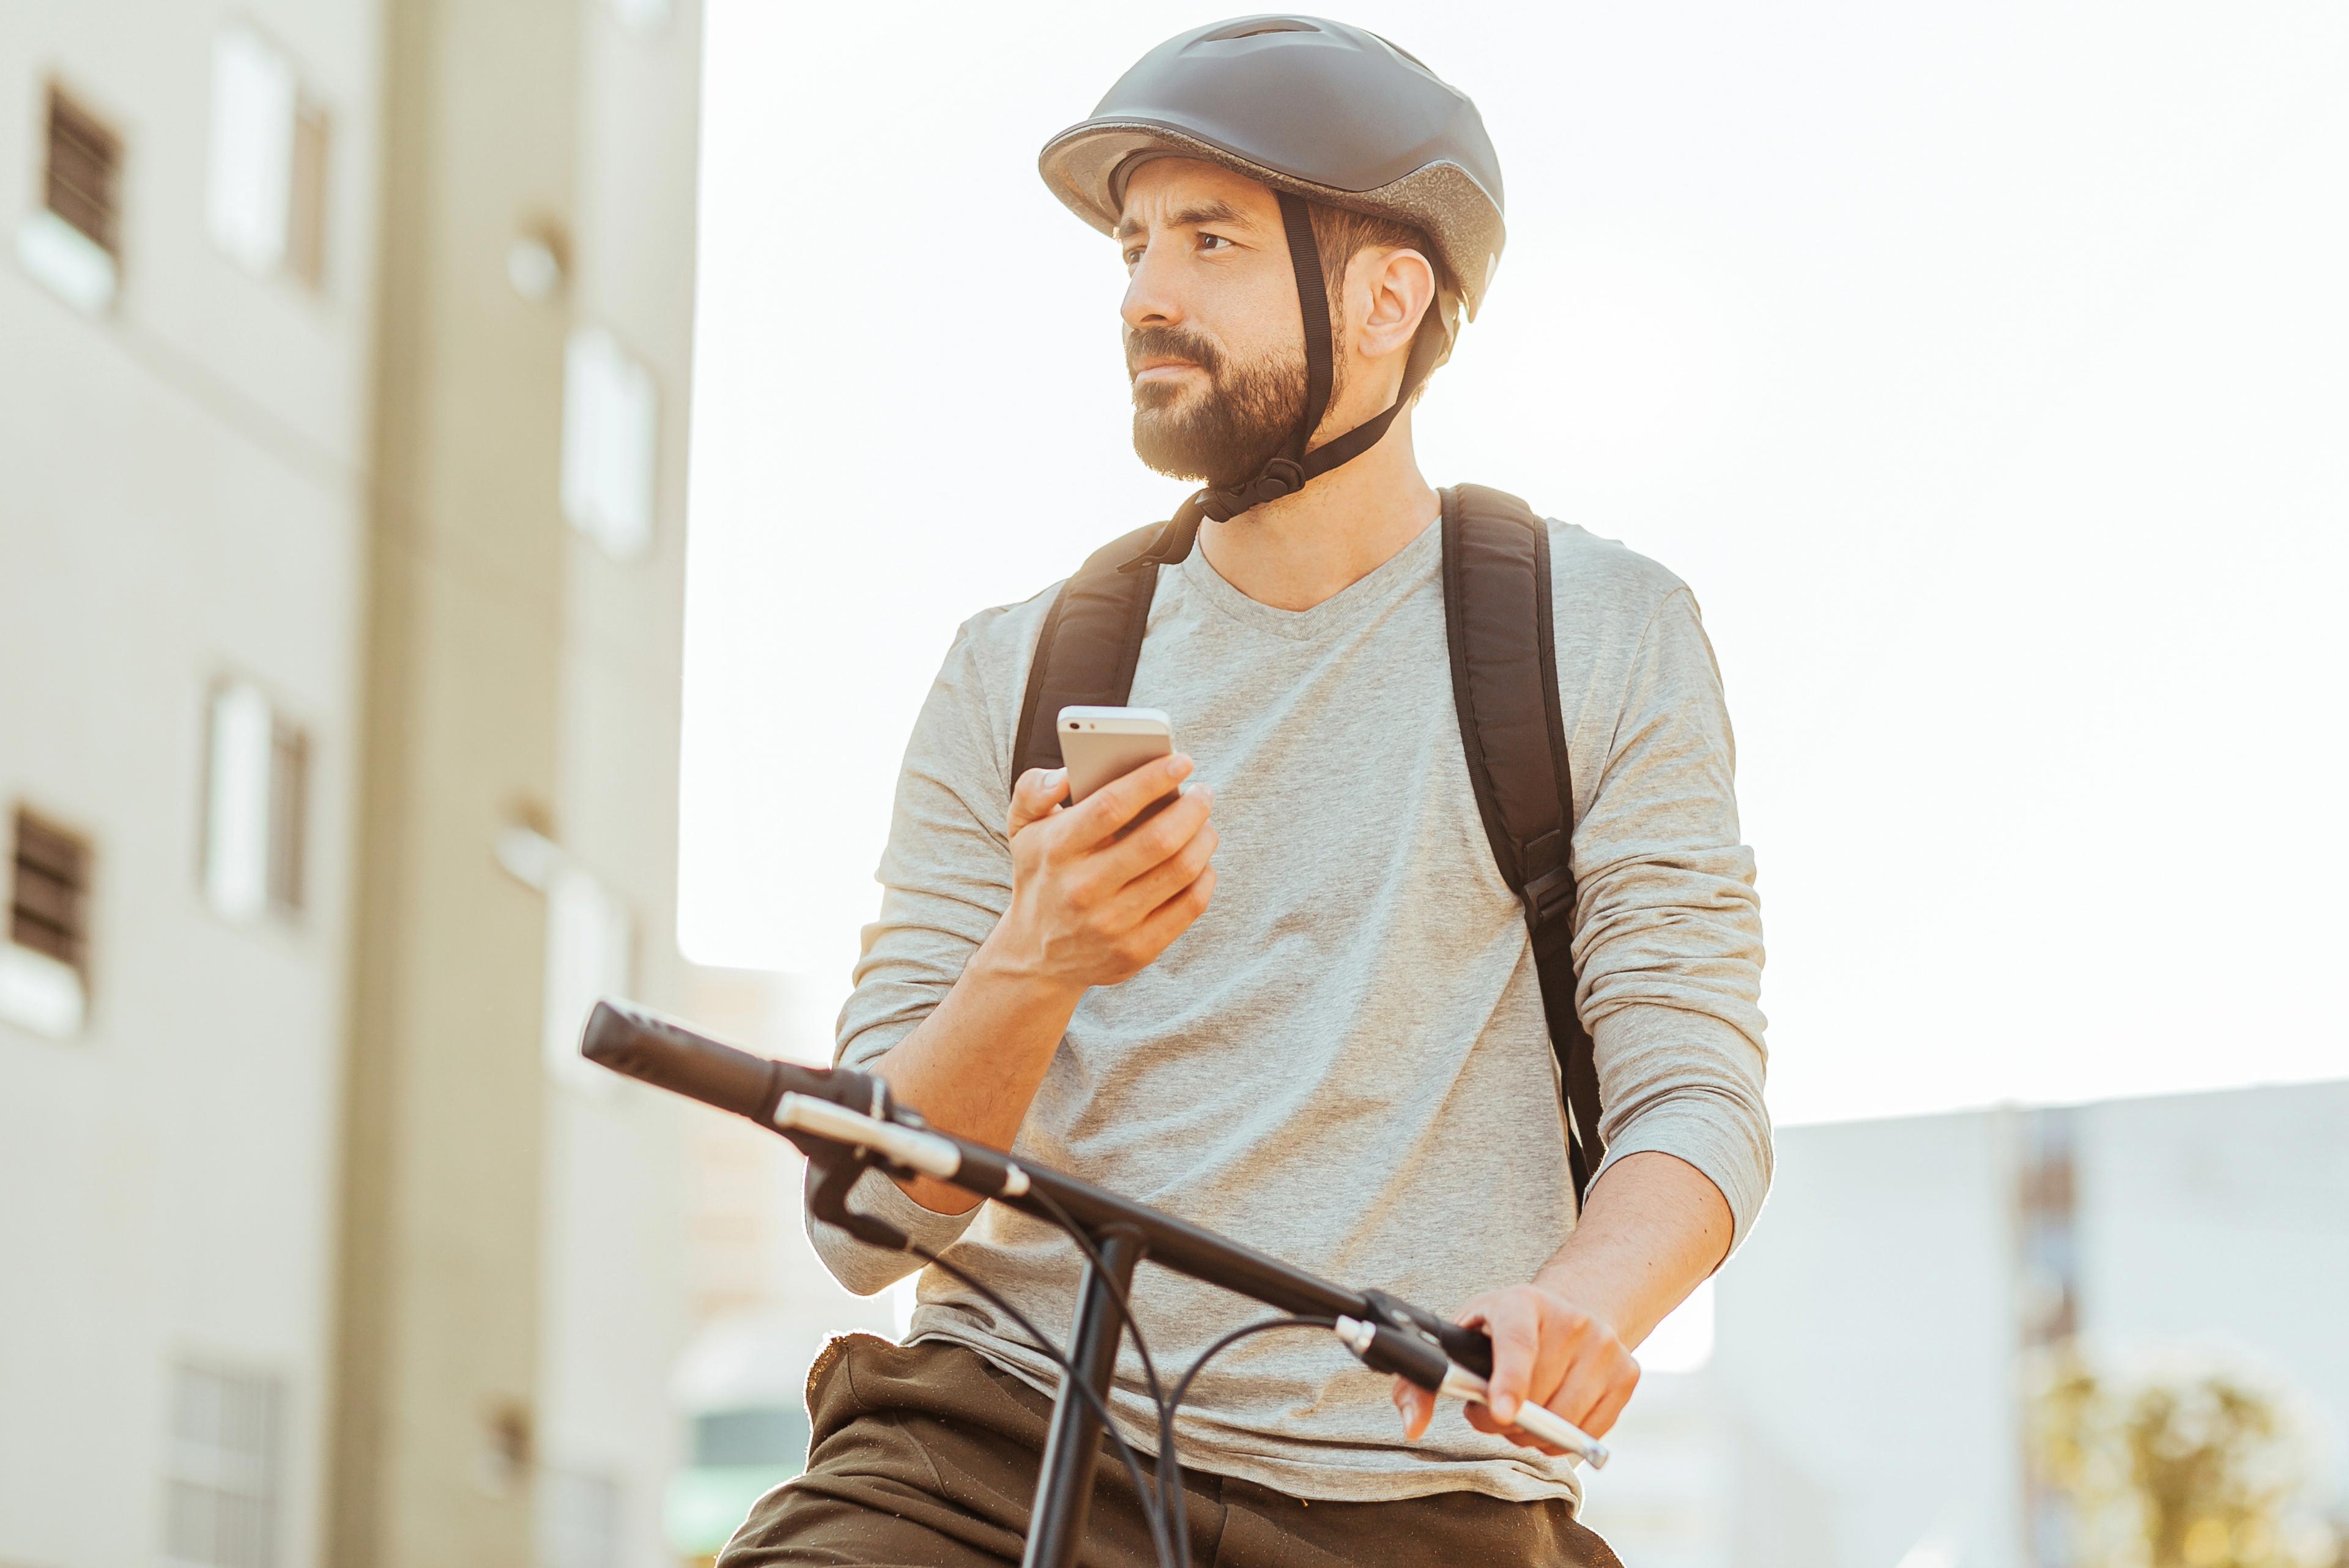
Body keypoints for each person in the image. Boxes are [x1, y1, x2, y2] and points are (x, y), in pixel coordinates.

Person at [723, 17, 1769, 1568]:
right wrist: (1039, 956)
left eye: (1208, 240)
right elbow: (861, 1229)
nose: (1144, 291)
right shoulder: (1011, 671)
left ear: (1386, 295)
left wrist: (1579, 1306)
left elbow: (1697, 1085)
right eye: (1137, 245)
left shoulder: (1599, 637)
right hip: (998, 1444)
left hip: (1418, 1494)